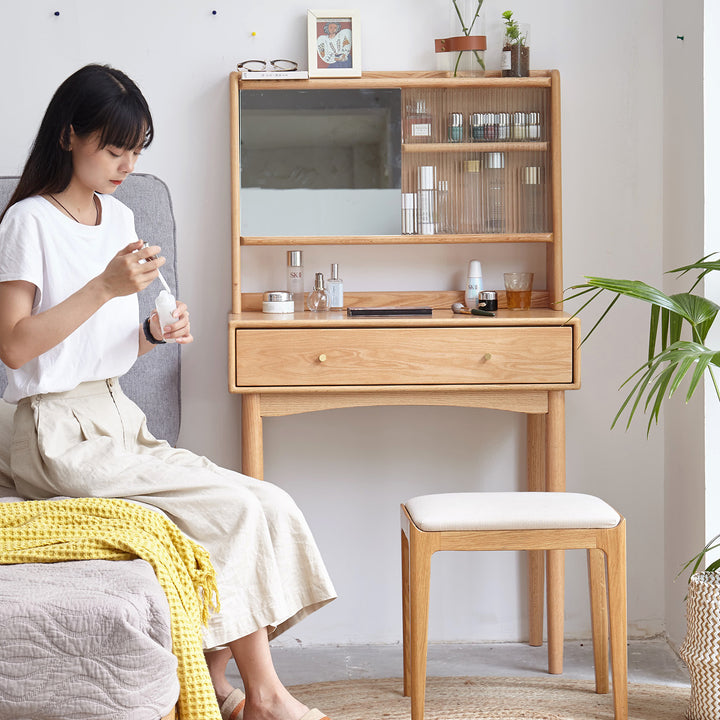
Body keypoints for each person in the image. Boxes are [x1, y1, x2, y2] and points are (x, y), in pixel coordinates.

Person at [0, 64, 336, 720]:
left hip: (114, 415)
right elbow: (14, 346)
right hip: (53, 431)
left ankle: (212, 684)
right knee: (232, 513)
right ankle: (264, 695)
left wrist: (153, 331)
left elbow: (102, 343)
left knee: (269, 504)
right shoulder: (27, 224)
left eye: (137, 150)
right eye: (114, 148)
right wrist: (104, 286)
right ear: (71, 137)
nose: (127, 163)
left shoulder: (119, 216)